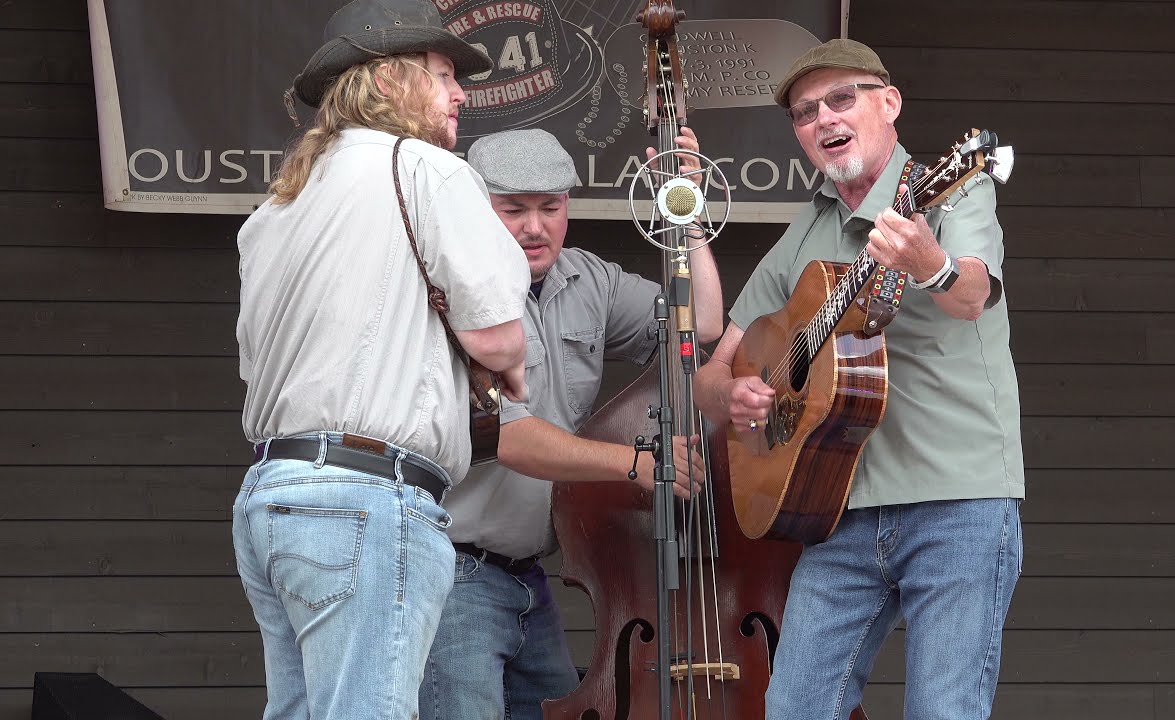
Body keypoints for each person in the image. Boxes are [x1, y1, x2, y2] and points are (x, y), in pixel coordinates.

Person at [692, 39, 1025, 720]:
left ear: (889, 103)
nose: (824, 119)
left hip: (955, 500)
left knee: (943, 711)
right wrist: (736, 394)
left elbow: (971, 296)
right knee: (794, 707)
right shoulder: (807, 227)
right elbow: (713, 369)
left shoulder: (952, 189)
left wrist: (928, 262)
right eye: (805, 111)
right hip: (837, 509)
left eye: (841, 98)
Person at [231, 2, 532, 718]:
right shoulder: (427, 168)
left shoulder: (273, 210)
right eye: (444, 75)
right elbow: (498, 339)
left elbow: (256, 366)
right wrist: (506, 359)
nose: (460, 94)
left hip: (271, 496)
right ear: (391, 79)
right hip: (366, 500)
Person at [419, 127, 724, 720]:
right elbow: (508, 436)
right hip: (454, 571)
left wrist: (684, 208)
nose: (535, 227)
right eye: (513, 209)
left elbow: (704, 322)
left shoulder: (590, 279)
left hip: (528, 576)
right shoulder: (446, 294)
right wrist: (636, 463)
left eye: (550, 207)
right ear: (475, 209)